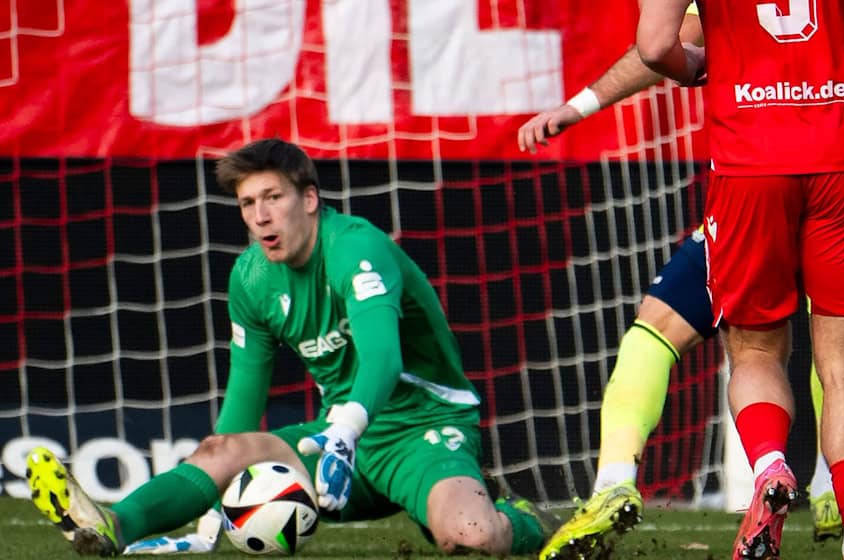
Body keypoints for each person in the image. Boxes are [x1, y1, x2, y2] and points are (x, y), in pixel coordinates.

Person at [519, 2, 844, 557]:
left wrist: (658, 77)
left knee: (735, 347)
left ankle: (750, 468)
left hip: (753, 166)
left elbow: (656, 45)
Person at [25, 138, 555, 557]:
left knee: (471, 537)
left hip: (419, 430)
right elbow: (243, 399)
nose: (260, 216)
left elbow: (384, 358)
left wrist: (346, 432)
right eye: (247, 203)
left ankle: (527, 520)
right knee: (221, 450)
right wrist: (213, 513)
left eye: (273, 198)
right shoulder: (251, 278)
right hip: (337, 446)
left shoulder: (355, 247)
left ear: (309, 199)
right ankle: (114, 526)